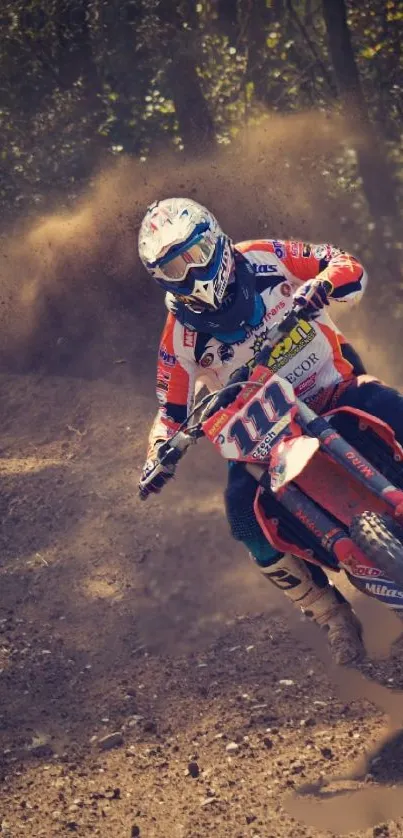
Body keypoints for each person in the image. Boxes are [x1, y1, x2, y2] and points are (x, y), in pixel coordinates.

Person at [137, 197, 403, 666]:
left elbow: (343, 264)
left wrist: (321, 285)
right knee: (242, 513)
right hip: (264, 432)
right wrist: (160, 450)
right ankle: (330, 615)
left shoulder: (264, 256)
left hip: (329, 387)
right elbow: (171, 411)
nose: (191, 275)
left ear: (214, 239)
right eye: (174, 269)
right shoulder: (178, 336)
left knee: (387, 405)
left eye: (193, 256)